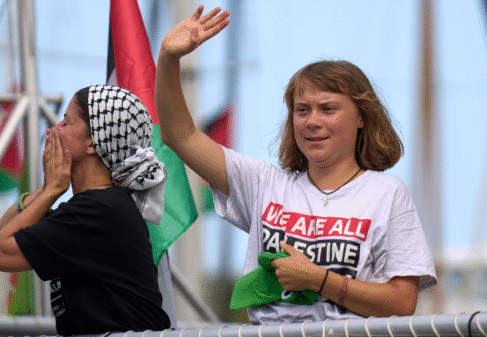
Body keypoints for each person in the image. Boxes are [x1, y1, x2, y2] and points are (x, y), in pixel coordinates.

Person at [155, 5, 437, 323]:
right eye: (302, 110)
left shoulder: (387, 193)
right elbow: (180, 136)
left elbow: (402, 302)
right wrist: (168, 58)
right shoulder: (264, 184)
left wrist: (318, 280)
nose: (312, 122)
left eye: (328, 109)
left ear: (361, 117)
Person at [0, 85, 171, 335]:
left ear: (92, 143)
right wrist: (44, 191)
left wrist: (53, 190)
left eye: (66, 122)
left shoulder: (98, 211)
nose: (54, 130)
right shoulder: (94, 211)